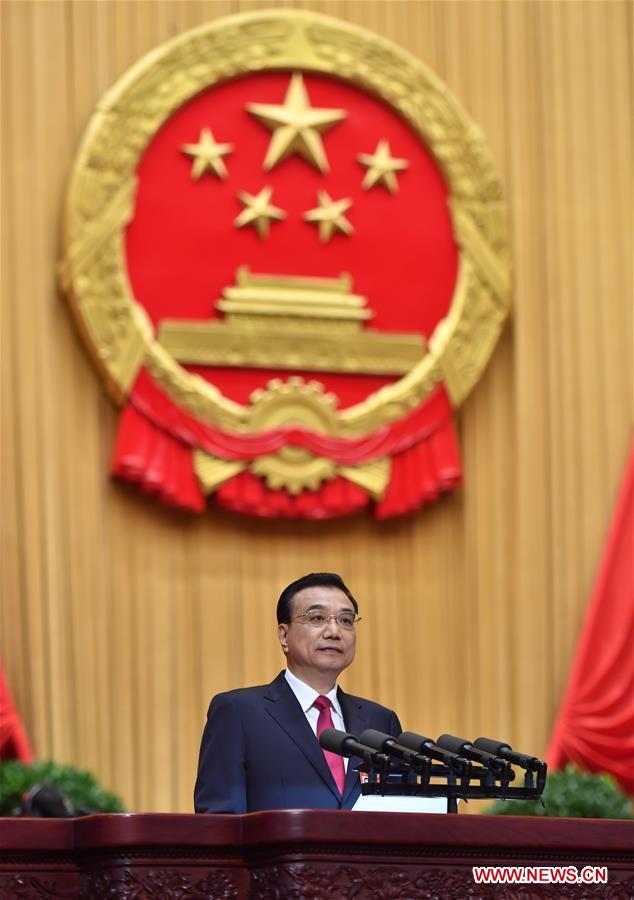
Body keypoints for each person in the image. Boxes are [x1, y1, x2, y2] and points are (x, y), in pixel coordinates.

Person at [194, 572, 402, 812]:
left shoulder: (380, 722)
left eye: (346, 620)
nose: (334, 631)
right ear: (284, 635)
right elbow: (220, 822)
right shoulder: (238, 713)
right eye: (317, 618)